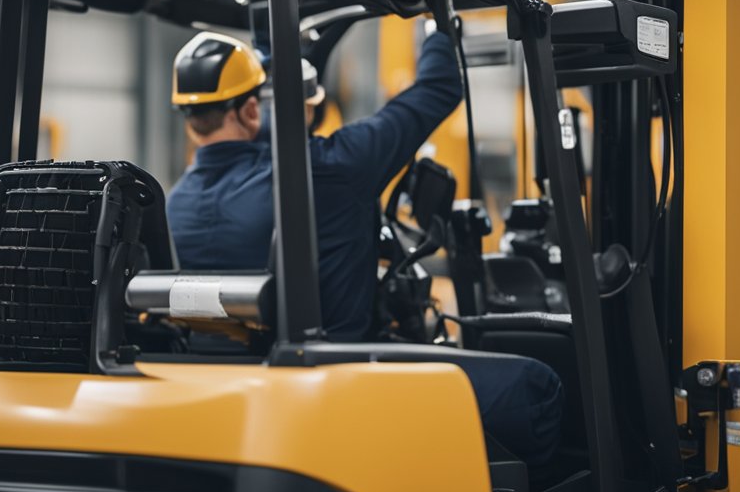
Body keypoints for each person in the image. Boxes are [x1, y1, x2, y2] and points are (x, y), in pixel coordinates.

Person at [165, 28, 563, 468]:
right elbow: (438, 88)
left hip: (235, 383)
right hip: (336, 375)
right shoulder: (331, 167)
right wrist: (439, 25)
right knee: (534, 388)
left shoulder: (174, 204)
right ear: (254, 109)